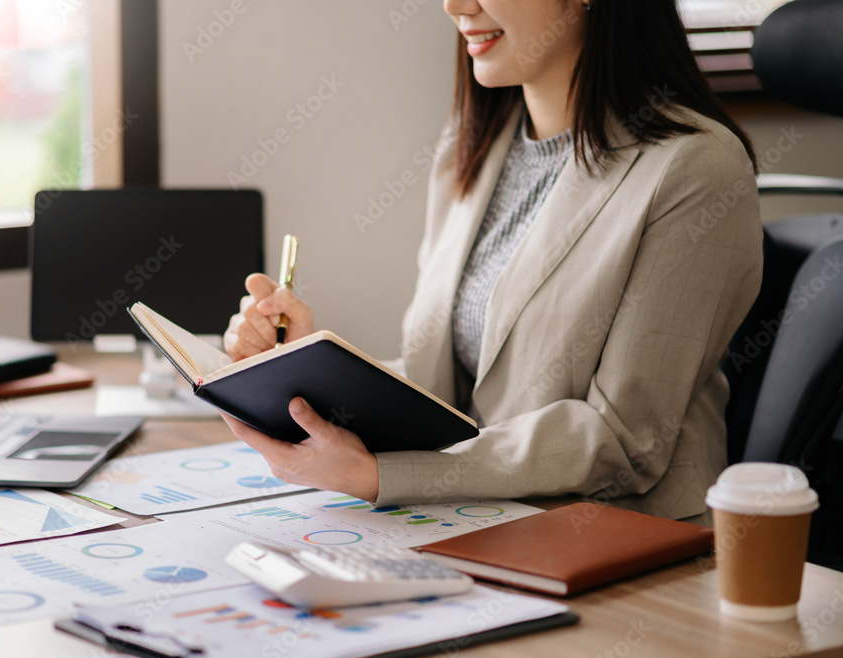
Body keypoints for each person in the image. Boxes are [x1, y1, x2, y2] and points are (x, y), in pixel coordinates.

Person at [221, 0, 763, 523]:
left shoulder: (695, 167)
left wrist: (382, 475)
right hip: (471, 515)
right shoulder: (473, 146)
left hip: (616, 535)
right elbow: (456, 389)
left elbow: (623, 439)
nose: (455, 6)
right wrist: (315, 373)